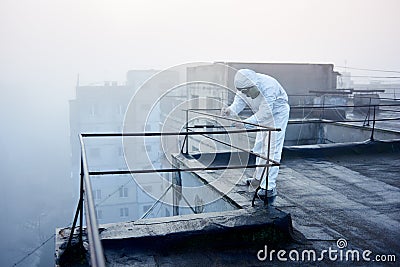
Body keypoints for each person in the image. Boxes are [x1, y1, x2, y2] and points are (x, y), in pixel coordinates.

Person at [221, 69, 290, 205]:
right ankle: (258, 179)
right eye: (243, 92)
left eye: (247, 92)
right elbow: (239, 103)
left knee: (272, 149)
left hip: (277, 114)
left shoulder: (269, 86)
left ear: (254, 86)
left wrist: (245, 124)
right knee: (259, 148)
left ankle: (268, 187)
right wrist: (230, 110)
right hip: (262, 115)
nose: (246, 95)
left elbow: (265, 112)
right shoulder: (244, 88)